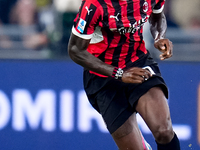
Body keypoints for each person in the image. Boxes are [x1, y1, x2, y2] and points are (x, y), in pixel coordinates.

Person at [68, 0, 181, 149]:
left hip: (137, 62)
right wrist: (118, 73)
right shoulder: (94, 4)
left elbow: (157, 15)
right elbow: (75, 50)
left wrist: (159, 37)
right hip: (103, 77)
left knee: (164, 131)